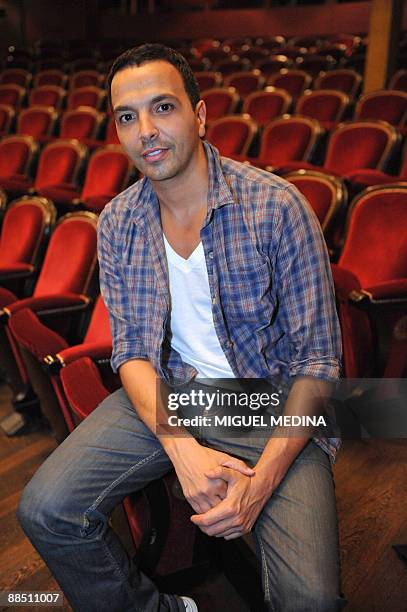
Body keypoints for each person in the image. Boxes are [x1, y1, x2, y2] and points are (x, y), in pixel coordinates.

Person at [18, 43, 345, 612]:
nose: (145, 130)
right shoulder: (119, 221)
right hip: (169, 394)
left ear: (198, 114)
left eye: (162, 107)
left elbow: (318, 367)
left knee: (312, 599)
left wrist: (259, 485)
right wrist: (181, 447)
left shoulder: (277, 207)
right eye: (127, 116)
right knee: (46, 509)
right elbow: (133, 355)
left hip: (273, 403)